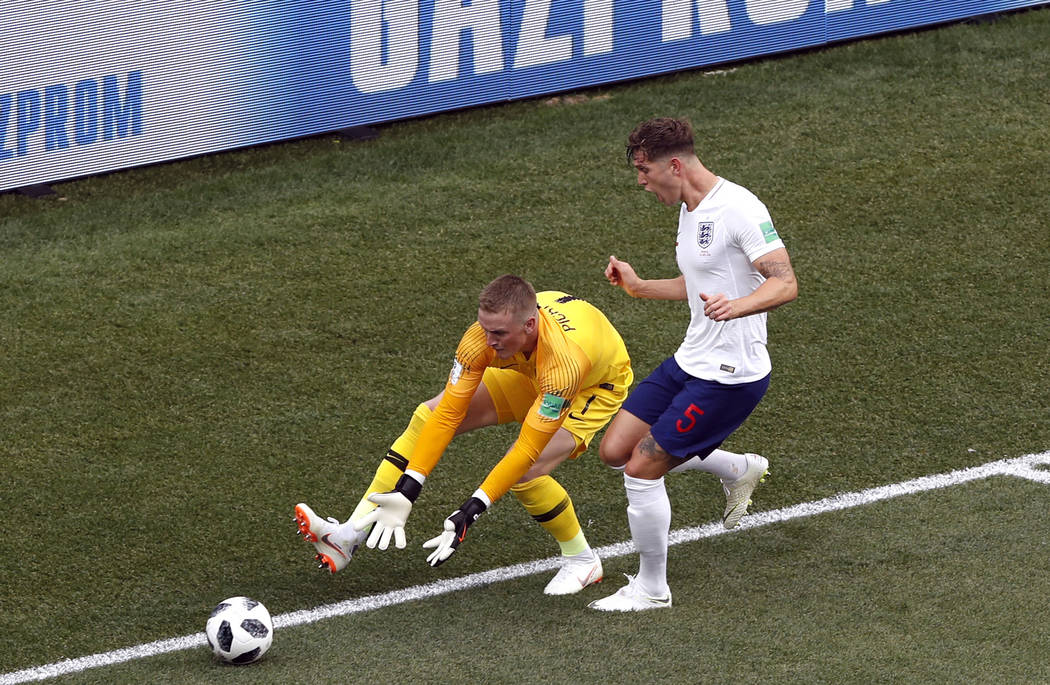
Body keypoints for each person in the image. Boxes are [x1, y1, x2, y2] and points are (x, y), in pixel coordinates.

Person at [295, 275, 633, 595]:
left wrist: (471, 510)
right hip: (528, 370)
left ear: (529, 325)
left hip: (590, 389)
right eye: (485, 329)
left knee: (527, 473)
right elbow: (447, 414)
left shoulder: (564, 366)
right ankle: (348, 537)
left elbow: (528, 447)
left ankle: (582, 560)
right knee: (425, 417)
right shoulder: (484, 337)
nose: (488, 341)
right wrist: (408, 489)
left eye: (498, 333)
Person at [587, 117, 798, 612]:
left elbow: (785, 283)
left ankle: (651, 588)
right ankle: (738, 468)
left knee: (642, 469)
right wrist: (640, 287)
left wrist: (738, 306)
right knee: (615, 450)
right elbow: (698, 280)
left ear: (674, 164)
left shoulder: (739, 209)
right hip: (692, 360)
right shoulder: (688, 207)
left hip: (730, 376)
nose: (640, 180)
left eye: (644, 170)